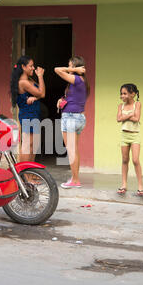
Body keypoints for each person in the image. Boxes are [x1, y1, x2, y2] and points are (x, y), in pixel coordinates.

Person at [55, 56, 90, 189]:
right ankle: (75, 178)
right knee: (74, 149)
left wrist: (72, 69)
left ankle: (75, 180)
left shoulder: (76, 78)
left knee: (71, 150)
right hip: (79, 117)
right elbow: (73, 98)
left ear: (76, 67)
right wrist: (62, 100)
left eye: (70, 66)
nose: (68, 68)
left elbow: (57, 70)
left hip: (70, 118)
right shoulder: (81, 81)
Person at [10, 55, 45, 163]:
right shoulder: (23, 82)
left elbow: (40, 92)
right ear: (23, 67)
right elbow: (42, 93)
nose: (33, 68)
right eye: (31, 66)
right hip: (27, 115)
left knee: (33, 145)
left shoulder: (29, 79)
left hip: (34, 114)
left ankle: (31, 172)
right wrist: (40, 76)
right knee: (27, 145)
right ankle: (24, 173)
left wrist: (35, 97)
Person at [116, 83, 143, 196]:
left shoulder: (137, 104)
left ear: (132, 94)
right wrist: (129, 116)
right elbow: (118, 119)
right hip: (124, 135)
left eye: (125, 93)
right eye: (121, 94)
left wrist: (125, 117)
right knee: (124, 160)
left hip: (135, 135)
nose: (122, 96)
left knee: (135, 160)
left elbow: (137, 118)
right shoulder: (120, 106)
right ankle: (124, 184)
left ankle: (140, 186)